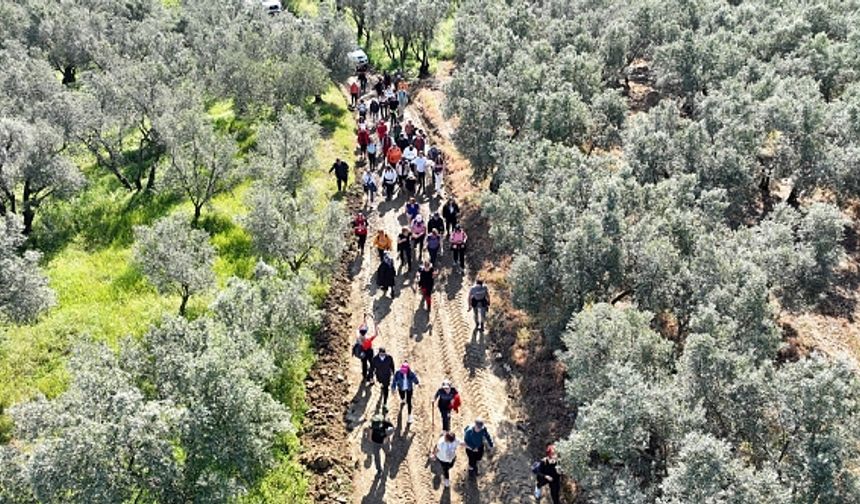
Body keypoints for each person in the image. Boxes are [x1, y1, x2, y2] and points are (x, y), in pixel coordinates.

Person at [355, 315, 378, 383]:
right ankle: (370, 378)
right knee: (372, 365)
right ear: (366, 332)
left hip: (362, 352)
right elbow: (376, 334)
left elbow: (358, 329)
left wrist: (364, 321)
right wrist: (375, 325)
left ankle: (364, 377)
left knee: (364, 365)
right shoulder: (368, 339)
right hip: (369, 352)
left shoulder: (358, 338)